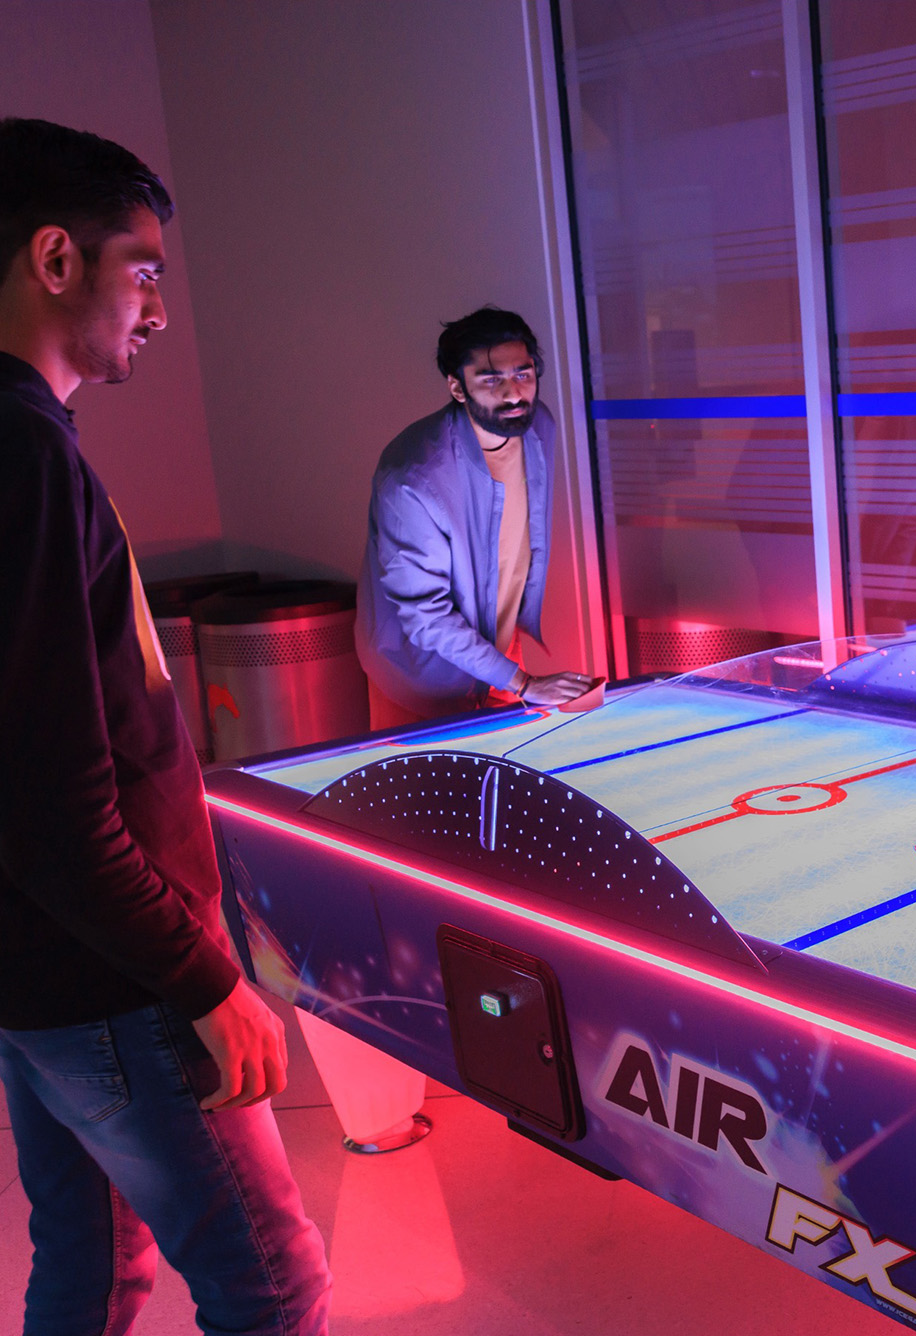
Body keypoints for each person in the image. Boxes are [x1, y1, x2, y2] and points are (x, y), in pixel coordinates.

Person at [0, 117, 331, 1335]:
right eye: (140, 270)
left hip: (37, 975)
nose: (157, 309)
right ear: (53, 260)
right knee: (273, 1284)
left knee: (86, 1265)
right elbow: (48, 799)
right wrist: (203, 978)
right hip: (111, 980)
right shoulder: (22, 452)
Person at [356, 305, 595, 726]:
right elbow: (426, 617)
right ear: (457, 387)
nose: (513, 394)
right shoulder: (413, 479)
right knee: (423, 791)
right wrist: (522, 682)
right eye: (491, 380)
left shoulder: (538, 426)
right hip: (421, 676)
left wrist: (509, 671)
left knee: (504, 786)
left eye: (523, 374)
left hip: (499, 661)